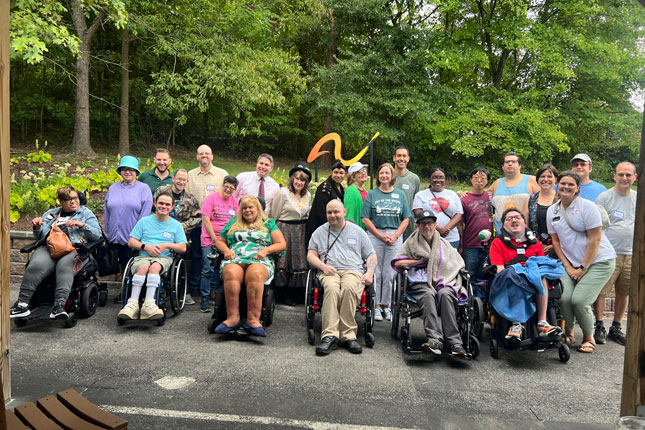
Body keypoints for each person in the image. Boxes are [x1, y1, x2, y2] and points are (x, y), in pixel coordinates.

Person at [547, 171, 616, 354]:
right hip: (570, 263)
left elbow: (595, 240)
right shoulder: (552, 210)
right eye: (563, 183)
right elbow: (556, 241)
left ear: (578, 188)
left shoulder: (587, 207)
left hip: (598, 261)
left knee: (579, 300)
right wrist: (569, 267)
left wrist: (582, 268)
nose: (566, 187)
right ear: (557, 185)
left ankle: (588, 337)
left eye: (571, 184)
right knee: (564, 297)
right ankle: (568, 332)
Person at [10, 187, 102, 319]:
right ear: (60, 201)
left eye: (75, 198)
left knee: (64, 266)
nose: (73, 201)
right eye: (68, 199)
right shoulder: (51, 214)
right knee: (36, 265)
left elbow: (97, 234)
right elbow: (40, 237)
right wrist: (37, 227)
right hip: (51, 248)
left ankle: (59, 305)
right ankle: (22, 305)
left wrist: (81, 225)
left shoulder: (85, 213)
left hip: (73, 248)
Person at [392, 210, 467, 356]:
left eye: (430, 223)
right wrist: (418, 261)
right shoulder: (412, 242)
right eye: (423, 224)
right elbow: (398, 262)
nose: (427, 227)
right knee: (428, 294)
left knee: (446, 294)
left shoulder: (444, 244)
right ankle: (435, 340)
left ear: (435, 225)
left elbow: (456, 263)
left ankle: (455, 342)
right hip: (420, 282)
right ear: (418, 226)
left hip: (443, 281)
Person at [308, 200, 377, 355]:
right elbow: (311, 255)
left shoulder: (358, 231)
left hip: (353, 271)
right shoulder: (319, 231)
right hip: (329, 271)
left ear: (344, 212)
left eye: (336, 212)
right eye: (329, 212)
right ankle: (330, 336)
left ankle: (348, 335)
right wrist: (323, 266)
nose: (333, 216)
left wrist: (370, 273)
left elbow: (371, 255)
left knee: (349, 288)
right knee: (331, 289)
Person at [213, 196, 286, 337]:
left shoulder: (268, 223)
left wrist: (266, 250)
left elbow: (281, 244)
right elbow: (220, 241)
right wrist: (226, 251)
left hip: (259, 258)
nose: (247, 210)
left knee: (256, 274)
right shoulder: (233, 222)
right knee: (230, 272)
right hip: (236, 257)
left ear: (258, 208)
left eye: (250, 207)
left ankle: (253, 320)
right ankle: (232, 318)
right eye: (244, 208)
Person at [488, 208, 561, 340]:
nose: (514, 220)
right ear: (504, 224)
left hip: (535, 278)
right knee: (514, 276)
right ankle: (516, 324)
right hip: (512, 278)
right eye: (509, 219)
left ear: (524, 223)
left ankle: (542, 323)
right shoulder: (497, 243)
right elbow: (499, 269)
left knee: (542, 273)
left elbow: (542, 262)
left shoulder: (535, 243)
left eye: (517, 217)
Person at [118, 192, 188, 320]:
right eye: (161, 203)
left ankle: (149, 303)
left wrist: (167, 245)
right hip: (143, 256)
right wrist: (146, 247)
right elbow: (131, 242)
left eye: (167, 204)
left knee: (155, 267)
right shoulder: (144, 221)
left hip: (164, 258)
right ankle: (132, 304)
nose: (163, 206)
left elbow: (183, 247)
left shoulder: (176, 225)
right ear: (155, 204)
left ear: (172, 207)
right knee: (143, 267)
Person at [593, 162, 637, 345]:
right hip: (609, 254)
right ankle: (599, 325)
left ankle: (616, 327)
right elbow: (596, 226)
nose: (624, 178)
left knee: (624, 292)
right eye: (621, 175)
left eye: (628, 175)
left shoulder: (638, 197)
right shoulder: (604, 198)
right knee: (602, 291)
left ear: (635, 177)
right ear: (614, 176)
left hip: (632, 253)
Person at [361, 163, 411, 322]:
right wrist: (380, 235)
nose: (384, 176)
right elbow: (365, 218)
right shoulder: (372, 194)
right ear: (378, 176)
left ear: (392, 176)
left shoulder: (400, 195)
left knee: (390, 273)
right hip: (375, 236)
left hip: (394, 236)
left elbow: (406, 218)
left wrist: (396, 236)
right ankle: (375, 306)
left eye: (387, 173)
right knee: (375, 272)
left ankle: (386, 305)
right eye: (381, 173)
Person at [186, 145, 229, 296]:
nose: (204, 156)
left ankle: (213, 288)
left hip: (217, 224)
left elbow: (227, 195)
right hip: (197, 222)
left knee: (216, 257)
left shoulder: (221, 174)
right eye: (201, 154)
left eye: (207, 153)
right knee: (197, 255)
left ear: (212, 156)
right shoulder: (190, 175)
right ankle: (194, 287)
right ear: (197, 156)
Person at [154, 168, 201, 305]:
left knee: (183, 260)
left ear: (187, 182)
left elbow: (198, 218)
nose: (181, 182)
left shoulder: (190, 199)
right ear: (173, 179)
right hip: (160, 233)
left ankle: (184, 292)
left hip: (181, 235)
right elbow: (153, 210)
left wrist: (183, 226)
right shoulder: (162, 192)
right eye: (179, 179)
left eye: (184, 180)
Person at [104, 156, 153, 287]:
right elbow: (107, 212)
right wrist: (107, 232)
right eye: (124, 169)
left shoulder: (143, 189)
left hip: (132, 236)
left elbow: (144, 216)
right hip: (114, 235)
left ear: (136, 172)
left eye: (131, 169)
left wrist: (136, 235)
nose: (127, 172)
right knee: (120, 264)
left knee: (131, 265)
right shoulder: (113, 188)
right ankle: (123, 288)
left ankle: (129, 290)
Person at [271, 162, 312, 306]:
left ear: (306, 182)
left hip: (300, 230)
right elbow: (274, 214)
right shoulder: (282, 193)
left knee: (298, 262)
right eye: (297, 179)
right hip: (284, 229)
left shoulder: (307, 194)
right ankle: (282, 294)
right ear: (292, 179)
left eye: (302, 180)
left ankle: (296, 293)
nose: (299, 182)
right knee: (284, 261)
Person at [199, 175, 240, 312]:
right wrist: (214, 239)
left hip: (226, 241)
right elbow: (206, 219)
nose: (228, 190)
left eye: (232, 188)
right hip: (209, 238)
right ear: (222, 185)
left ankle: (216, 293)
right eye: (226, 186)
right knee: (208, 269)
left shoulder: (235, 202)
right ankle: (204, 297)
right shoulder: (211, 198)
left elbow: (236, 222)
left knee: (222, 268)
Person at [458, 167, 493, 295]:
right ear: (471, 180)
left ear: (488, 181)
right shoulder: (464, 199)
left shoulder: (490, 196)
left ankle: (482, 305)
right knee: (469, 275)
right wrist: (461, 244)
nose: (479, 180)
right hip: (470, 244)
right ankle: (470, 302)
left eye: (483, 178)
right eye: (476, 177)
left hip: (488, 245)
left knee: (483, 276)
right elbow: (459, 224)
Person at [489, 152, 539, 234]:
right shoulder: (497, 183)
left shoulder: (532, 180)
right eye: (507, 162)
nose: (510, 164)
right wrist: (466, 194)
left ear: (520, 165)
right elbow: (482, 196)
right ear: (503, 167)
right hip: (501, 235)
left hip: (524, 234)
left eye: (513, 161)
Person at [412, 167, 463, 248]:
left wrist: (446, 229)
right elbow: (418, 214)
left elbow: (459, 214)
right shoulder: (420, 195)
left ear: (445, 179)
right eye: (435, 177)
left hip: (451, 238)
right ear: (429, 179)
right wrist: (438, 228)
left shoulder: (452, 194)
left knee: (450, 260)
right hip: (428, 238)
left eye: (441, 177)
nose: (438, 180)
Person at [305, 160, 347, 246]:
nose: (338, 175)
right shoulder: (325, 188)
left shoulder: (340, 188)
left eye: (341, 173)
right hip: (320, 228)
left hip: (332, 226)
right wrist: (331, 228)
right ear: (331, 172)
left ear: (345, 174)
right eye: (336, 172)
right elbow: (320, 212)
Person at [524, 164, 559, 255]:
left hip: (559, 248)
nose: (546, 179)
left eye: (549, 176)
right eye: (542, 176)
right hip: (534, 246)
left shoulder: (561, 199)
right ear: (538, 180)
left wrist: (554, 246)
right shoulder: (530, 199)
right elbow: (525, 225)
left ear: (555, 180)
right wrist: (536, 243)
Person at [393, 146, 420, 241]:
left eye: (404, 156)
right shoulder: (387, 176)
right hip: (390, 227)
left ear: (408, 159)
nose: (401, 159)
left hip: (408, 228)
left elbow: (416, 202)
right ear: (394, 158)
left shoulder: (414, 179)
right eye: (399, 156)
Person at [343, 161, 369, 229]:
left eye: (365, 170)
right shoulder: (351, 191)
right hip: (356, 230)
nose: (364, 173)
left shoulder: (364, 189)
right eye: (360, 171)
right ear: (353, 176)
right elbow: (349, 215)